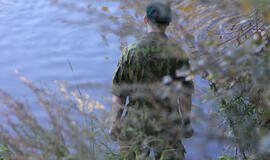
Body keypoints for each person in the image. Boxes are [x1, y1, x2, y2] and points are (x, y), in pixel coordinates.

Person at [110, 1, 194, 160]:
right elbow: (185, 94)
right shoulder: (178, 54)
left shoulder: (130, 52)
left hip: (136, 124)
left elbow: (119, 94)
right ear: (169, 22)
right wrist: (187, 123)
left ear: (145, 19)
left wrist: (114, 124)